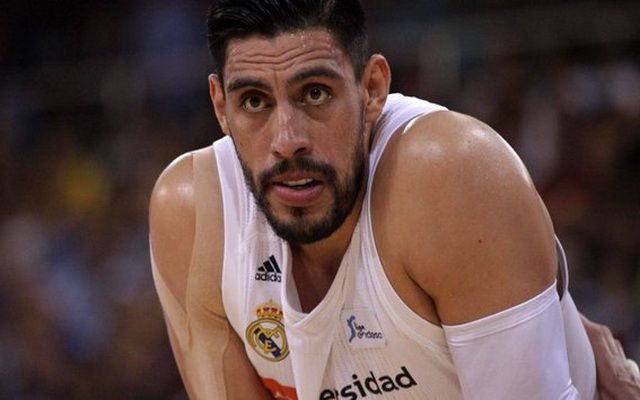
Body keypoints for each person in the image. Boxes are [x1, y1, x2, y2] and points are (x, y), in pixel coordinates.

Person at [149, 1, 640, 399]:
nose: (287, 140)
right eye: (254, 101)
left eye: (315, 93)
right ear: (220, 106)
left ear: (372, 89)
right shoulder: (192, 216)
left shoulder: (451, 174)